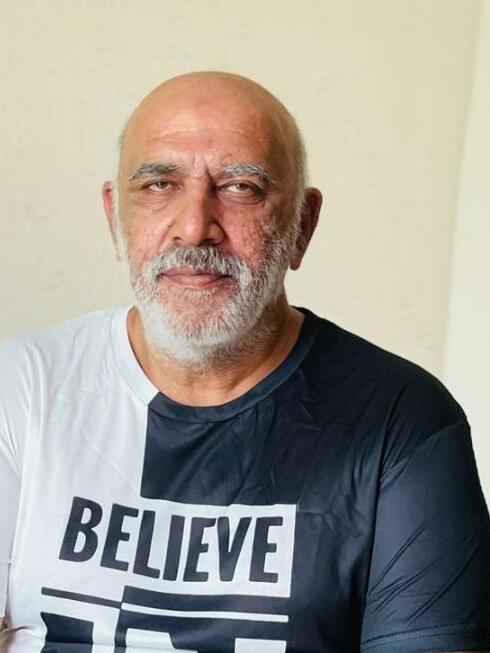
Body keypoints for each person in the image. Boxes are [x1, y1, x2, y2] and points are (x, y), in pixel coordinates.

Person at [0, 71, 488, 653]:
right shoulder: (21, 387)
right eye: (159, 184)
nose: (194, 228)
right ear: (115, 217)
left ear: (302, 225)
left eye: (240, 187)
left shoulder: (401, 421)